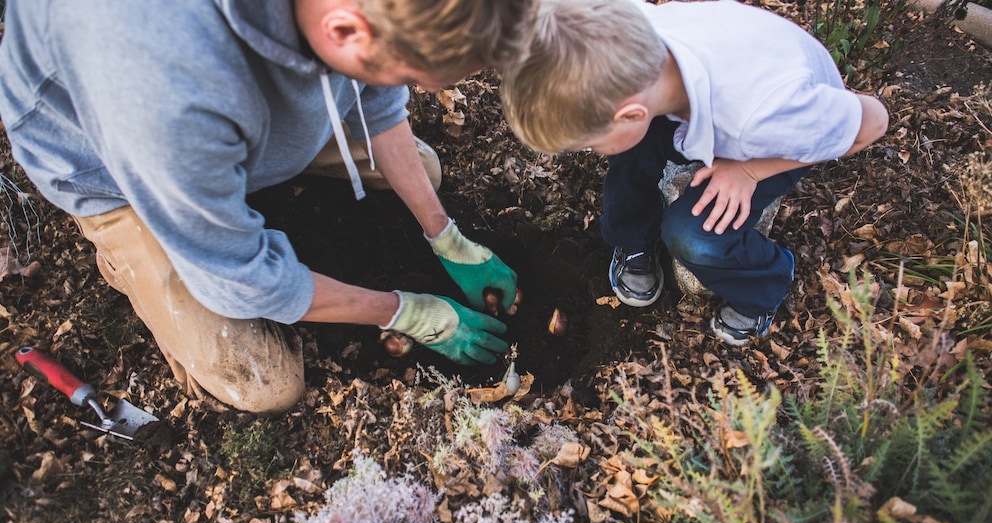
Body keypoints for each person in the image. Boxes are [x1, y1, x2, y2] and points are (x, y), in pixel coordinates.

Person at [0, 0, 532, 413]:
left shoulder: (364, 13)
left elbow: (374, 97)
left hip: (242, 120)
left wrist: (446, 236)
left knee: (425, 175)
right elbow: (247, 280)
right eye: (411, 76)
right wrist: (405, 312)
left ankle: (235, 183)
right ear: (344, 31)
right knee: (264, 381)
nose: (410, 88)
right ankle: (136, 244)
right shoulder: (167, 93)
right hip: (118, 173)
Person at [500, 0, 889, 345]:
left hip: (774, 142)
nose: (589, 150)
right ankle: (633, 239)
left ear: (632, 114)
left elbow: (872, 121)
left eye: (589, 143)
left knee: (693, 236)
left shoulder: (762, 116)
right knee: (630, 148)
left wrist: (749, 172)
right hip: (704, 92)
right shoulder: (628, 32)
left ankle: (765, 283)